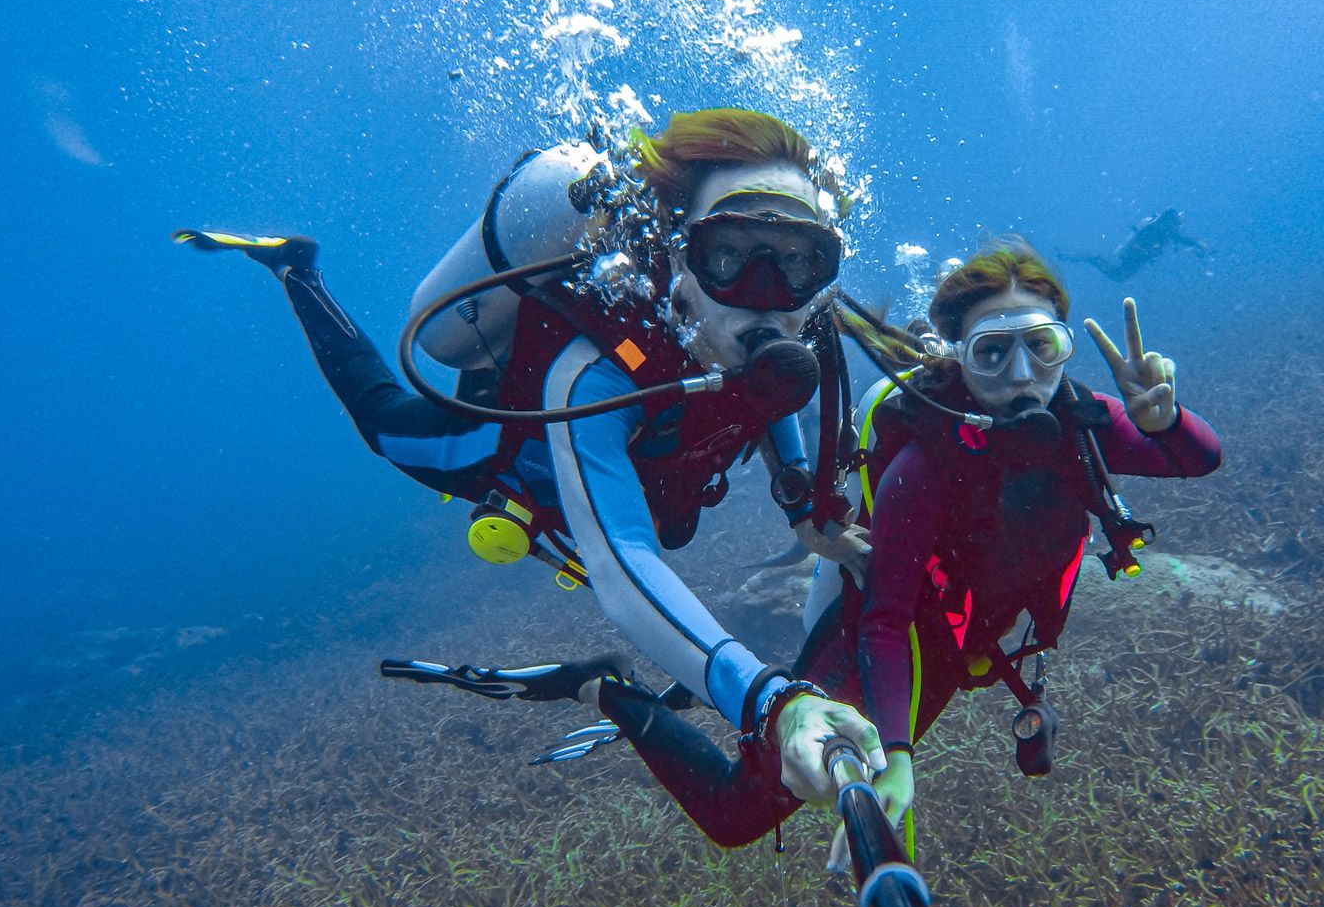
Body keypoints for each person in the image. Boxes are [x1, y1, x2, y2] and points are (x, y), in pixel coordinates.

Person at [404, 239, 1220, 857]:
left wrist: (1160, 421)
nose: (1020, 377)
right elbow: (886, 618)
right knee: (737, 816)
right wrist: (895, 754)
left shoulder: (1085, 422)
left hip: (971, 643)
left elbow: (1196, 459)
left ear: (1062, 349)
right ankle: (607, 690)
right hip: (895, 645)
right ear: (957, 362)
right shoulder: (920, 466)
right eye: (990, 353)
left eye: (1040, 347)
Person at [178, 108, 884, 803]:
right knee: (382, 423)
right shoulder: (592, 372)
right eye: (728, 253)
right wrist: (768, 700)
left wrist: (804, 514)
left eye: (798, 260)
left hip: (659, 458)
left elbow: (770, 401)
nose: (765, 296)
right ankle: (299, 273)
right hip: (505, 447)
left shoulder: (800, 331)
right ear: (676, 252)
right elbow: (621, 561)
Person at [1065, 207, 1210, 283]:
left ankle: (1088, 258)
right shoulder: (1159, 229)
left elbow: (1179, 239)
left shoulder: (1162, 229)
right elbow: (1139, 242)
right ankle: (1092, 258)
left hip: (1135, 256)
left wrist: (1197, 244)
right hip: (1134, 256)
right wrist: (1146, 252)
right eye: (1177, 220)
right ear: (1171, 220)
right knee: (1119, 276)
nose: (1179, 224)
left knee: (1120, 276)